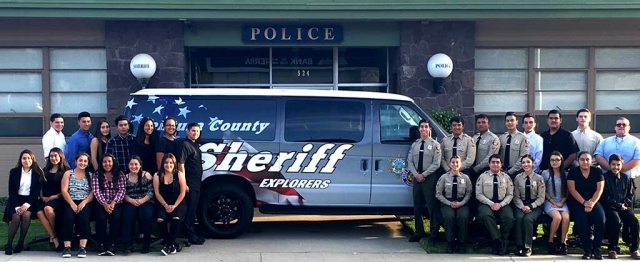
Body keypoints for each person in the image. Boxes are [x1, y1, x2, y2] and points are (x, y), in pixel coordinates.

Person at [407, 119, 442, 243]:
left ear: (429, 129)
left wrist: (424, 174)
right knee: (417, 206)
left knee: (432, 206)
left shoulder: (435, 145)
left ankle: (433, 234)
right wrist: (416, 175)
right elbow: (409, 161)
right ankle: (419, 232)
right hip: (417, 178)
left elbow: (436, 163)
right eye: (421, 127)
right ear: (419, 129)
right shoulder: (415, 144)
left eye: (426, 127)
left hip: (429, 178)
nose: (423, 129)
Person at [3, 150, 42, 255]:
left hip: (29, 201)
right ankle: (9, 244)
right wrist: (16, 206)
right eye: (24, 158)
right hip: (15, 200)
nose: (26, 160)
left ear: (32, 159)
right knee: (16, 217)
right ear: (21, 160)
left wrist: (26, 205)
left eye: (29, 158)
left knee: (26, 215)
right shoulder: (14, 172)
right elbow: (11, 191)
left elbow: (36, 193)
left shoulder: (38, 173)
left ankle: (21, 242)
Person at [601, 154, 640, 259]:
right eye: (613, 164)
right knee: (616, 221)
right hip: (610, 207)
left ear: (621, 165)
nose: (615, 167)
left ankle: (634, 249)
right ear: (609, 164)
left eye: (618, 165)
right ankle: (612, 249)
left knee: (634, 221)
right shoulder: (604, 178)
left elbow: (630, 194)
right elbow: (604, 196)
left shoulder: (626, 178)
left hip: (624, 207)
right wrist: (618, 205)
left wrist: (625, 204)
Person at [567, 151, 605, 260]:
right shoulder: (573, 172)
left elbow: (599, 189)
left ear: (591, 160)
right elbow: (572, 190)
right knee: (582, 220)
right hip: (577, 201)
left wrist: (591, 202)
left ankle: (597, 248)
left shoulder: (597, 172)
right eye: (582, 159)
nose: (585, 162)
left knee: (600, 219)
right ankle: (587, 249)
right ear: (578, 161)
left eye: (587, 159)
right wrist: (584, 202)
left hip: (594, 201)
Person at [475, 154, 514, 256]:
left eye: (498, 162)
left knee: (509, 217)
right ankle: (498, 240)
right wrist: (491, 203)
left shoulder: (506, 178)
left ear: (501, 164)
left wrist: (501, 204)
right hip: (486, 203)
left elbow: (510, 194)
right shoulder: (482, 177)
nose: (495, 164)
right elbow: (478, 194)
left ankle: (502, 240)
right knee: (485, 215)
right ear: (489, 164)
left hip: (503, 204)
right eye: (493, 162)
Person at [60, 153, 94, 258]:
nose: (82, 163)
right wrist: (72, 204)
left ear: (88, 163)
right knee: (68, 218)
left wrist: (84, 202)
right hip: (70, 201)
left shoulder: (90, 175)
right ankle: (67, 247)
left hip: (85, 202)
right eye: (80, 160)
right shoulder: (68, 173)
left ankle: (82, 247)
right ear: (76, 162)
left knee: (84, 219)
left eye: (85, 161)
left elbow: (93, 192)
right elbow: (64, 190)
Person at [435, 156, 471, 254]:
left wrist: (462, 203)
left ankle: (461, 243)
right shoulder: (444, 177)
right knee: (448, 217)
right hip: (447, 202)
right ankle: (450, 243)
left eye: (457, 162)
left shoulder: (465, 178)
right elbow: (438, 193)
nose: (455, 164)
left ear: (460, 164)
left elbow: (469, 193)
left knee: (463, 217)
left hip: (462, 203)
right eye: (453, 162)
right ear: (450, 164)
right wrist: (448, 203)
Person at [154, 153, 187, 256]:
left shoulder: (179, 174)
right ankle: (170, 245)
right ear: (163, 164)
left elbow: (183, 192)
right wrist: (165, 205)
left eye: (171, 163)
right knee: (160, 219)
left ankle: (169, 245)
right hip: (163, 203)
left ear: (174, 164)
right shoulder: (157, 175)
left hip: (178, 203)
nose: (168, 165)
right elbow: (157, 193)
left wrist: (174, 206)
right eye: (166, 163)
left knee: (175, 218)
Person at [36, 147, 70, 251]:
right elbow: (40, 186)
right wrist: (41, 196)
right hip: (44, 198)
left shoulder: (66, 171)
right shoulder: (44, 170)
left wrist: (55, 196)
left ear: (60, 156)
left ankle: (53, 234)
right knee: (39, 213)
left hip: (58, 198)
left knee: (47, 209)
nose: (53, 158)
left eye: (55, 156)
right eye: (51, 156)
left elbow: (67, 189)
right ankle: (54, 236)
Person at [178, 122, 206, 245]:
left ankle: (192, 233)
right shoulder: (185, 145)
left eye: (197, 131)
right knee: (189, 210)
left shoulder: (194, 145)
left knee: (193, 209)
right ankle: (190, 236)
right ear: (187, 131)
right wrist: (184, 183)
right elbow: (181, 165)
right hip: (189, 183)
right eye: (193, 131)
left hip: (196, 182)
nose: (195, 133)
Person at [92, 154, 125, 256]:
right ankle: (101, 243)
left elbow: (122, 190)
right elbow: (96, 191)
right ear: (101, 163)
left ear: (113, 162)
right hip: (101, 202)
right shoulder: (97, 175)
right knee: (101, 218)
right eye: (105, 162)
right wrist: (105, 204)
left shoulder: (119, 174)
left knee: (115, 217)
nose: (107, 164)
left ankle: (113, 244)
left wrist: (113, 203)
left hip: (116, 202)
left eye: (109, 161)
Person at [513, 155, 545, 257]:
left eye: (528, 162)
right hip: (521, 205)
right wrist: (522, 206)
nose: (526, 164)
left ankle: (528, 246)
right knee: (518, 218)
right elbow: (516, 196)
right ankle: (519, 245)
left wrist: (530, 206)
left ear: (533, 164)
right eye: (523, 162)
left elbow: (541, 198)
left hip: (535, 206)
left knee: (528, 219)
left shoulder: (539, 178)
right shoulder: (518, 178)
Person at [121, 156, 155, 254]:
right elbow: (123, 193)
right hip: (130, 201)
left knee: (145, 216)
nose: (134, 166)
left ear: (140, 165)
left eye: (136, 164)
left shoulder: (147, 175)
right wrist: (131, 200)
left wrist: (142, 200)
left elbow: (151, 191)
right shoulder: (125, 177)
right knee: (127, 217)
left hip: (146, 201)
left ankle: (146, 244)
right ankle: (127, 245)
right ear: (128, 165)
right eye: (131, 164)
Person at [541, 151, 570, 255]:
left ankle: (563, 243)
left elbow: (567, 191)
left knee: (566, 218)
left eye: (557, 160)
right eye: (552, 160)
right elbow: (542, 190)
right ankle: (551, 241)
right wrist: (553, 201)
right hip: (549, 201)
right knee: (557, 218)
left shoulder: (566, 174)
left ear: (561, 161)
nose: (555, 162)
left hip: (562, 202)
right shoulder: (545, 173)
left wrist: (561, 202)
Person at [499, 112, 530, 177]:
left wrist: (510, 172)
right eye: (507, 121)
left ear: (517, 122)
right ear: (505, 123)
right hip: (502, 172)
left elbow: (523, 157)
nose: (510, 123)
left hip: (517, 173)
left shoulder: (523, 138)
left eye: (512, 120)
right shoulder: (502, 137)